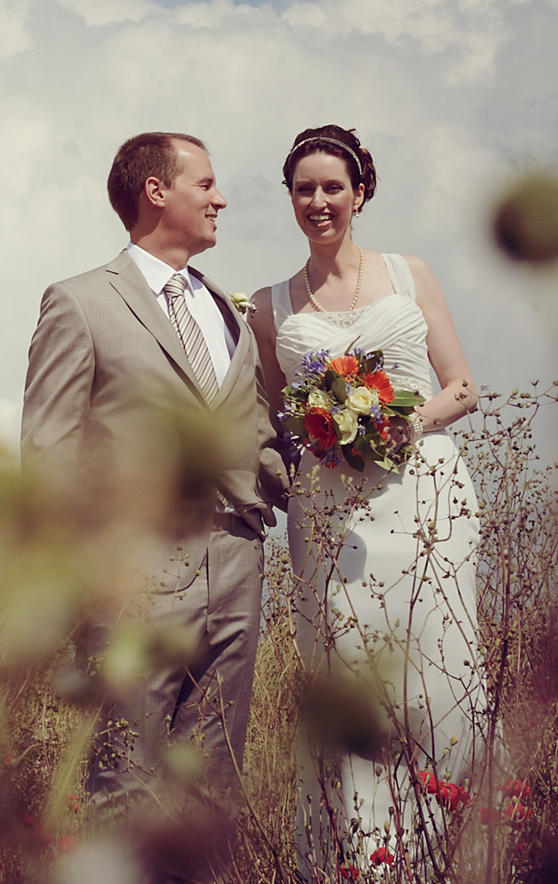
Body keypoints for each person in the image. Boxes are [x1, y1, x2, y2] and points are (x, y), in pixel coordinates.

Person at [22, 132, 287, 879]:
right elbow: (47, 455)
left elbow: (254, 426)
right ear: (156, 192)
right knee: (126, 781)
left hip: (237, 563)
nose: (221, 197)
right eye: (205, 183)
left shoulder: (229, 308)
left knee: (215, 786)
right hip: (133, 573)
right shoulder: (79, 302)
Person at [246, 125, 482, 879]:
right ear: (289, 198)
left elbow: (464, 388)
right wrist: (316, 449)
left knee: (437, 671)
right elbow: (272, 423)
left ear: (360, 192)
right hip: (331, 518)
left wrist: (404, 422)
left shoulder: (409, 274)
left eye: (331, 187)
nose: (318, 201)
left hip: (425, 496)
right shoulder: (269, 304)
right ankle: (367, 863)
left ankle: (463, 849)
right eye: (303, 189)